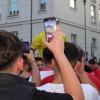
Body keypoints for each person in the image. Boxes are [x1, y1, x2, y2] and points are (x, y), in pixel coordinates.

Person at [0, 29, 84, 100]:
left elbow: (35, 83)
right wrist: (59, 53)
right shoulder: (29, 94)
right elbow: (76, 97)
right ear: (20, 63)